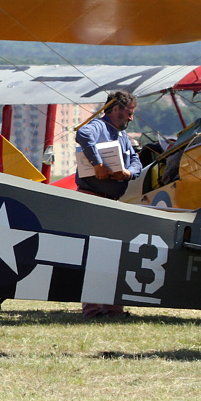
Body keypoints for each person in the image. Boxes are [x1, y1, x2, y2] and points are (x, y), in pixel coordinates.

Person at [74, 90, 142, 318]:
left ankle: (113, 309)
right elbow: (82, 134)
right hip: (93, 198)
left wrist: (128, 174)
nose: (130, 118)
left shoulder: (122, 136)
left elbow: (135, 162)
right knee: (95, 254)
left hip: (112, 201)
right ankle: (93, 310)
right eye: (128, 113)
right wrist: (97, 164)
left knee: (113, 255)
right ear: (114, 110)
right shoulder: (97, 127)